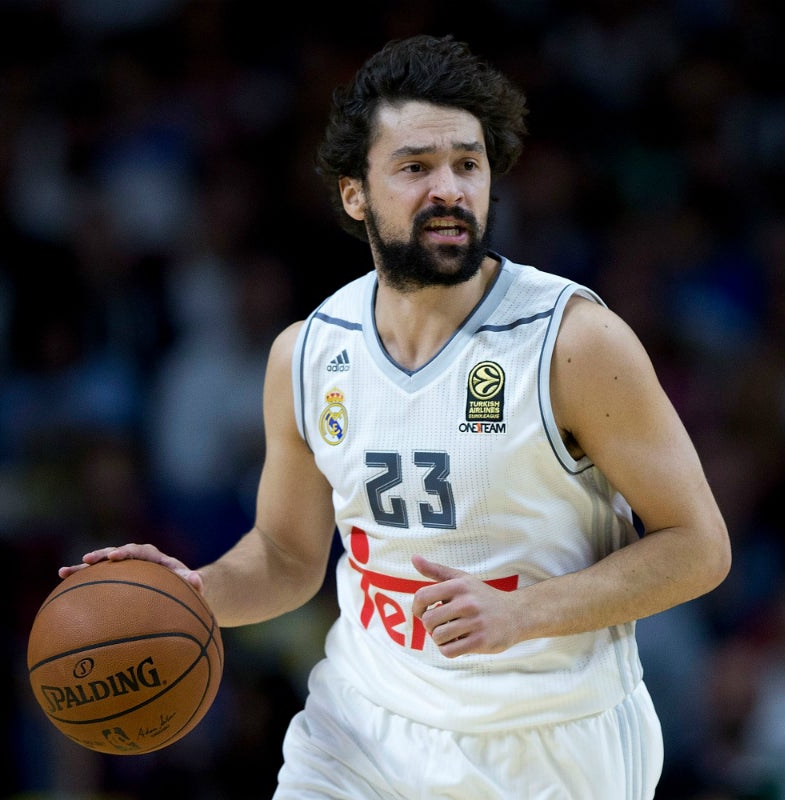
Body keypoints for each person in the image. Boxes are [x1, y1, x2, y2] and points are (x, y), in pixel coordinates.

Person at [61, 33, 731, 799]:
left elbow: (700, 546)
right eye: (416, 167)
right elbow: (285, 556)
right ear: (356, 194)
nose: (448, 188)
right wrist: (192, 593)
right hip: (360, 728)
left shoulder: (574, 341)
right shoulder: (307, 354)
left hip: (546, 747)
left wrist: (524, 613)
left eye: (467, 165)